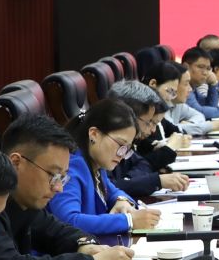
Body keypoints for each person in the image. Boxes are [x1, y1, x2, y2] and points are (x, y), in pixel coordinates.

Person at [0, 116, 135, 260]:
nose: (59, 188)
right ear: (16, 163)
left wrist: (86, 247)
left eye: (62, 178)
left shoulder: (26, 202)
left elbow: (57, 231)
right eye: (53, 176)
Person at [49, 99, 162, 238]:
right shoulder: (71, 166)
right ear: (94, 134)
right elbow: (68, 221)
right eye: (120, 144)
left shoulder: (96, 163)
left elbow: (113, 190)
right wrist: (128, 221)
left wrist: (122, 200)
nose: (122, 154)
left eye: (126, 148)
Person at [106, 80, 190, 200]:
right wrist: (155, 181)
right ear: (128, 116)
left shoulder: (127, 142)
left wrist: (130, 180)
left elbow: (142, 163)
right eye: (148, 122)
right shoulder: (104, 142)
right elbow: (107, 189)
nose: (153, 130)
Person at [153, 61, 219, 136]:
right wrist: (214, 125)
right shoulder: (156, 106)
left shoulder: (177, 104)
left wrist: (190, 124)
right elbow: (173, 129)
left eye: (208, 68)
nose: (190, 89)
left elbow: (199, 115)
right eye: (186, 84)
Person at [182, 47, 219, 119]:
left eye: (208, 69)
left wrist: (213, 84)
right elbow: (199, 112)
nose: (205, 73)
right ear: (186, 67)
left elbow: (210, 107)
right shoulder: (181, 86)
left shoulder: (193, 87)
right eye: (201, 67)